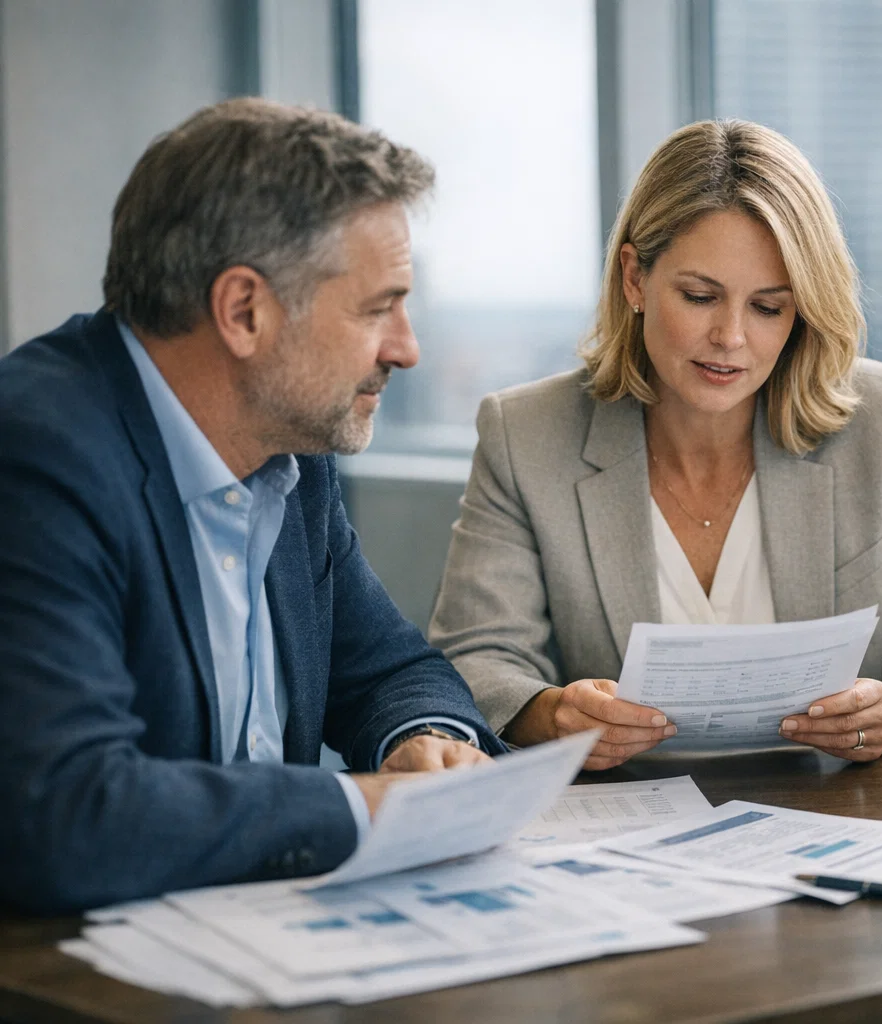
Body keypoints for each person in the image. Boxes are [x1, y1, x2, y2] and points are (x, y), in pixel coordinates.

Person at [0, 98, 506, 914]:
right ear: (244, 311)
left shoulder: (288, 448)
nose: (406, 348)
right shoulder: (38, 456)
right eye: (379, 308)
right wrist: (368, 809)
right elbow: (67, 811)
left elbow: (392, 669)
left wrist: (425, 742)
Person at [428, 119, 882, 770]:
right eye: (700, 296)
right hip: (626, 835)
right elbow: (478, 658)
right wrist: (554, 715)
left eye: (768, 307)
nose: (731, 338)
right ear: (634, 278)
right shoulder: (526, 434)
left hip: (851, 818)